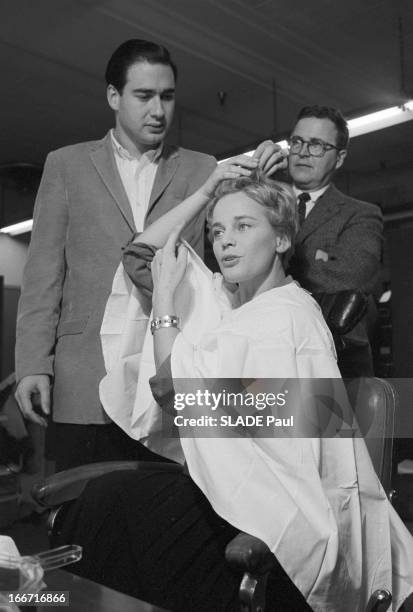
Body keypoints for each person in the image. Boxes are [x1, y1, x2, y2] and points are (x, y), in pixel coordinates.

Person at [56, 159, 413, 612]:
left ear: (281, 239)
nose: (225, 240)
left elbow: (178, 392)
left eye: (243, 226)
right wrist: (207, 191)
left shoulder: (287, 318)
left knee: (112, 512)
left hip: (276, 510)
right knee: (106, 502)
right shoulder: (231, 301)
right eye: (217, 230)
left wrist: (165, 300)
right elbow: (140, 256)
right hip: (236, 488)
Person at [14, 39, 284, 471]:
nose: (158, 110)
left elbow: (240, 242)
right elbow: (44, 274)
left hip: (169, 366)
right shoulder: (66, 165)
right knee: (81, 511)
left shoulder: (202, 169)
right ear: (113, 96)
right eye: (144, 96)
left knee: (164, 518)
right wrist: (32, 363)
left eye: (167, 96)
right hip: (86, 374)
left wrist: (269, 168)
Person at [287, 105, 383, 378]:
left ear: (339, 158)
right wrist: (316, 258)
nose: (304, 152)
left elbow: (352, 275)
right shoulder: (259, 203)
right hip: (264, 356)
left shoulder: (362, 213)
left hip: (336, 362)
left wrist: (274, 265)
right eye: (297, 142)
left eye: (317, 145)